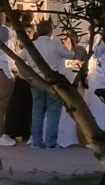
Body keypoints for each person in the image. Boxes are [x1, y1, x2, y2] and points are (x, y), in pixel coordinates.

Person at [25, 19, 74, 149]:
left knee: (37, 112)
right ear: (51, 32)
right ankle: (50, 142)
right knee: (53, 113)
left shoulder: (31, 46)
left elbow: (20, 59)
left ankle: (36, 141)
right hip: (54, 83)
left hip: (36, 82)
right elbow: (71, 55)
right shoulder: (56, 45)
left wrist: (26, 75)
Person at [0, 24, 17, 146]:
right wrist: (11, 76)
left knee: (3, 103)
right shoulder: (5, 36)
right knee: (2, 103)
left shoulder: (2, 34)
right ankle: (0, 134)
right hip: (4, 73)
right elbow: (5, 59)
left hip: (2, 71)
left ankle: (2, 132)